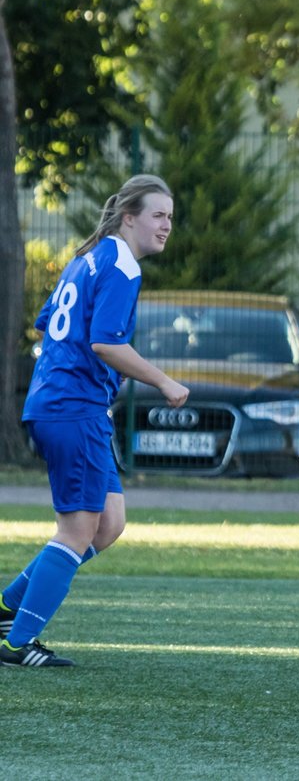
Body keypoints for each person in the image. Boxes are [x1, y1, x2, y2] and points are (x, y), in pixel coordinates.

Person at [0, 175, 190, 667]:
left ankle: (7, 607)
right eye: (157, 215)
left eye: (170, 216)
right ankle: (17, 643)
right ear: (129, 217)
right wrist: (164, 382)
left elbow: (48, 324)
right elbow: (105, 342)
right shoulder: (121, 266)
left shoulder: (90, 257)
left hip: (68, 406)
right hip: (73, 410)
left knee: (109, 525)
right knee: (77, 531)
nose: (167, 225)